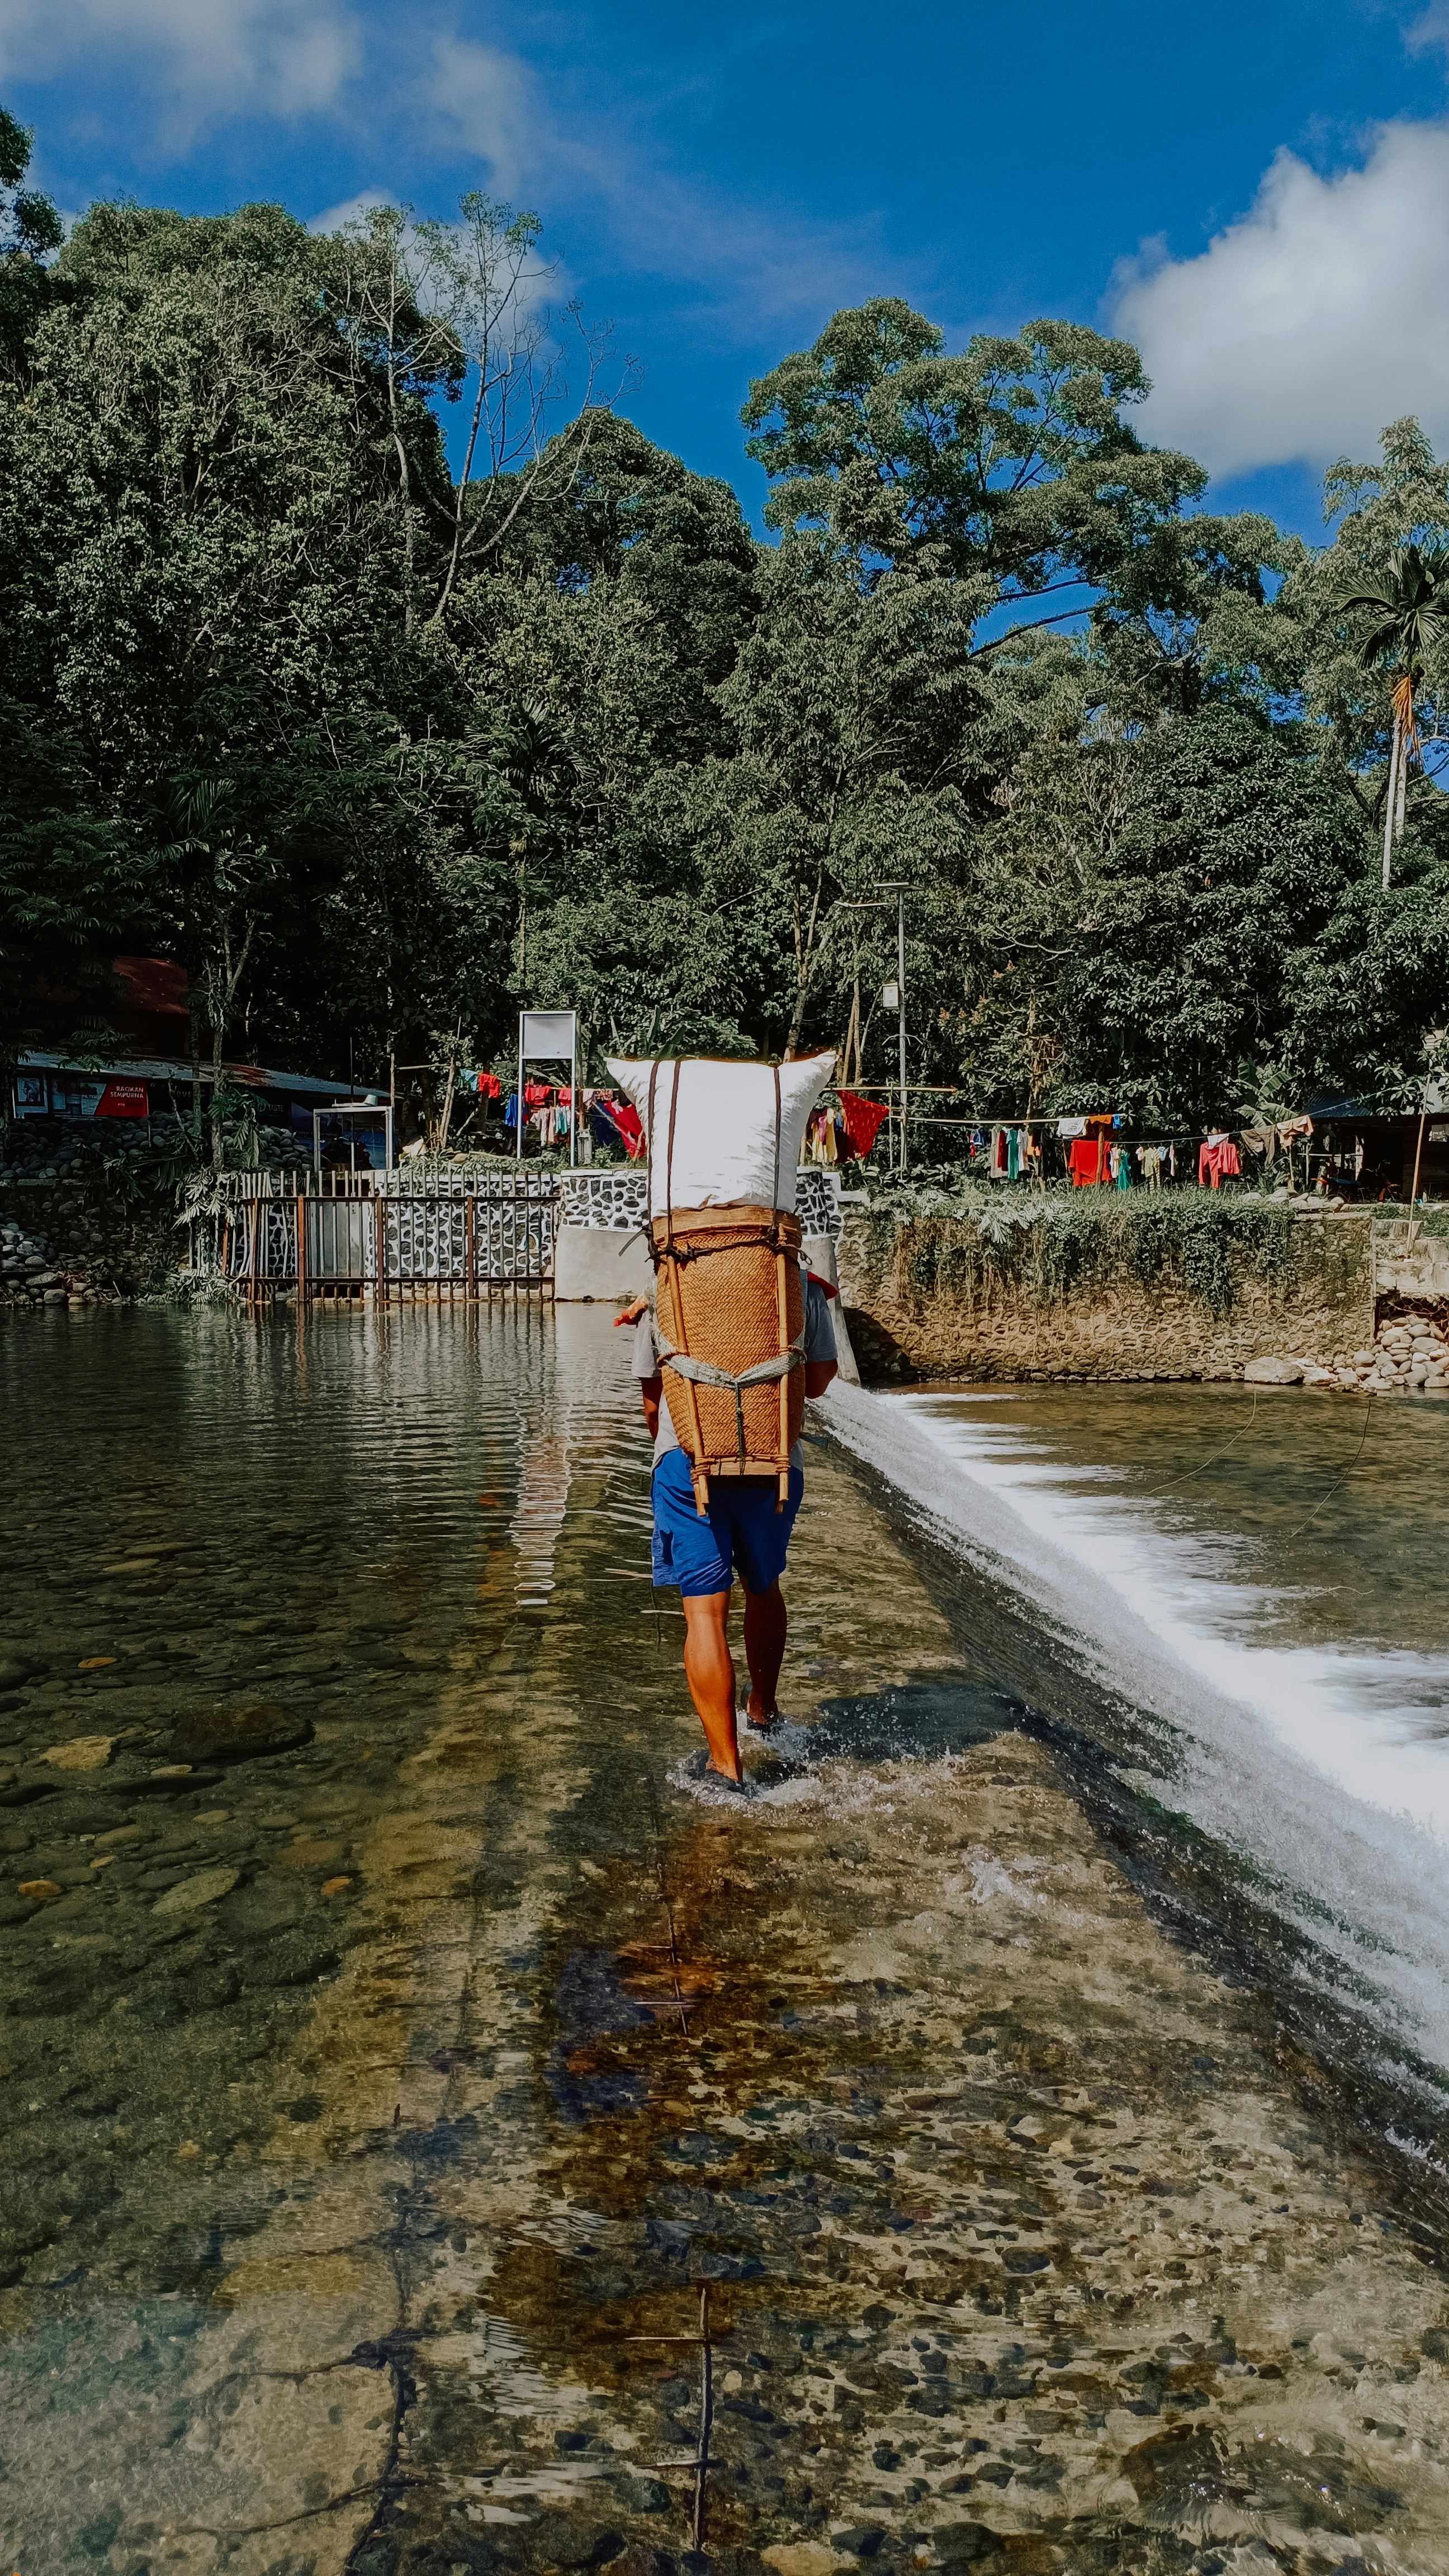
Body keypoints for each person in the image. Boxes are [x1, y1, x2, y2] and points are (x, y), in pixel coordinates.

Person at [629, 1272, 837, 1787]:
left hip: (686, 1463)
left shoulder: (664, 1286)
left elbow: (653, 1401)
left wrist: (679, 1451)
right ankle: (763, 1709)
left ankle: (726, 1765)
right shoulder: (799, 1284)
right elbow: (817, 1381)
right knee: (763, 1587)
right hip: (775, 1464)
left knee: (704, 1613)